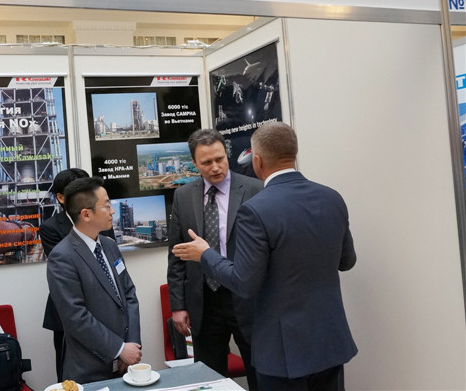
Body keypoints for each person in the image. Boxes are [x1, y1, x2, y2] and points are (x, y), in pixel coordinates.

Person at [173, 122, 358, 391]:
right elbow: (347, 261)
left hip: (282, 346)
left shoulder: (256, 207)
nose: (215, 167)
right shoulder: (332, 198)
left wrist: (205, 255)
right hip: (329, 340)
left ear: (257, 161)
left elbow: (244, 281)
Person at [167, 128, 262, 390]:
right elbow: (176, 254)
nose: (216, 167)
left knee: (260, 374)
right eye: (207, 162)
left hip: (246, 297)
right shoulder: (183, 195)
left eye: (219, 159)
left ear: (226, 155)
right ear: (194, 163)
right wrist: (178, 306)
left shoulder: (255, 189)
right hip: (204, 301)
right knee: (209, 380)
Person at [46, 177, 142, 383]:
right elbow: (75, 317)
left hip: (126, 363)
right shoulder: (62, 256)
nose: (112, 211)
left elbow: (129, 294)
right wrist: (119, 349)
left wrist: (132, 344)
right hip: (90, 368)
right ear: (86, 214)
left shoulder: (109, 245)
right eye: (106, 205)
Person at [39, 168, 116, 381]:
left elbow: (110, 262)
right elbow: (69, 267)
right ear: (61, 198)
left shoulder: (103, 220)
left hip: (106, 311)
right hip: (68, 315)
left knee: (111, 374)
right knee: (70, 379)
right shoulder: (50, 228)